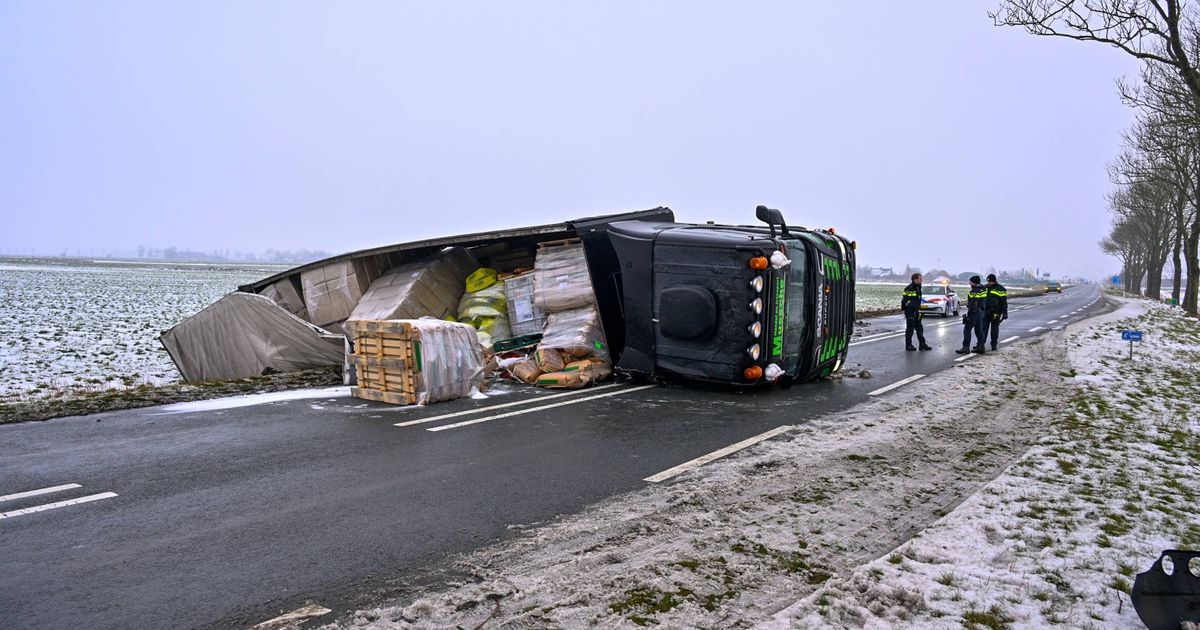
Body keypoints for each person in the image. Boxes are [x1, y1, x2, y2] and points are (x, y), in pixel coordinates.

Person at [956, 275, 988, 354]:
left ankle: (965, 347)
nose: (969, 282)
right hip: (981, 312)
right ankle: (981, 347)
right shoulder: (983, 289)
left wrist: (969, 314)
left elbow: (974, 304)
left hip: (974, 313)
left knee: (967, 330)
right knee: (979, 330)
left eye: (970, 281)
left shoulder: (974, 291)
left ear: (974, 282)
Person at [901, 273, 932, 351]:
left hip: (916, 310)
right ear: (915, 279)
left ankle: (922, 344)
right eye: (920, 278)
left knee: (919, 328)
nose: (921, 280)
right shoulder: (910, 288)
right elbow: (905, 300)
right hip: (911, 311)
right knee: (910, 328)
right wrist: (907, 309)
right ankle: (908, 345)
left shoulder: (918, 287)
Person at [984, 273, 1008, 351]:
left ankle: (994, 344)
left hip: (996, 313)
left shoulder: (1001, 289)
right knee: (983, 329)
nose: (988, 283)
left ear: (994, 281)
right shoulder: (985, 288)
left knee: (994, 330)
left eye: (990, 282)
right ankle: (981, 344)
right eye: (988, 281)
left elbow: (1004, 302)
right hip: (986, 312)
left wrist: (1005, 313)